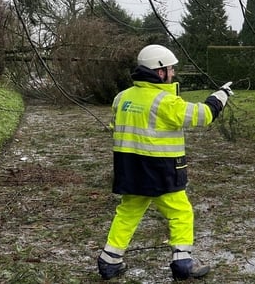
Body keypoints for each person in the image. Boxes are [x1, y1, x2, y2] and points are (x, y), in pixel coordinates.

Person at [97, 44, 233, 281]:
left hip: (130, 170)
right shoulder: (166, 102)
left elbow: (113, 128)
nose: (173, 73)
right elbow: (203, 115)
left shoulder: (121, 98)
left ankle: (109, 262)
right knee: (180, 213)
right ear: (160, 72)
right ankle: (183, 264)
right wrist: (220, 95)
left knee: (127, 213)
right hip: (161, 172)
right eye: (171, 69)